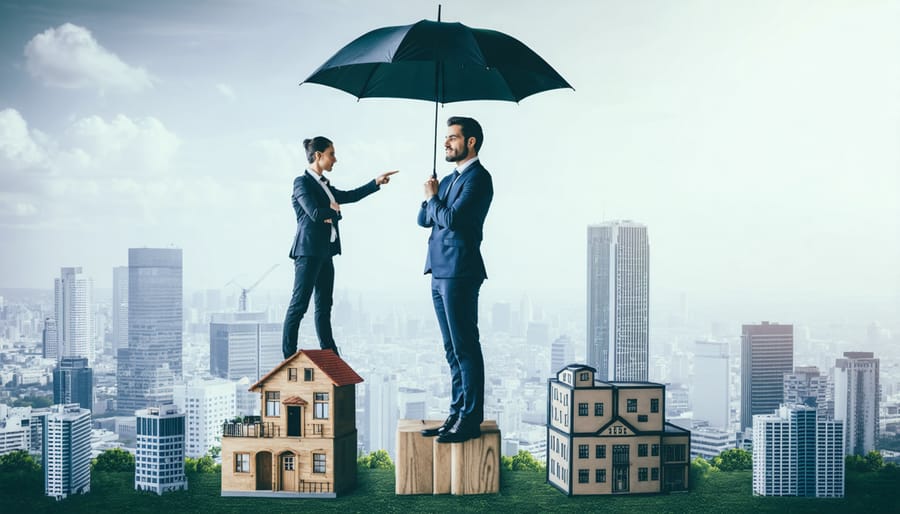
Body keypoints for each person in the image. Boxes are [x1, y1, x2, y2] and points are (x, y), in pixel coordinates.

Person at [282, 136, 398, 359]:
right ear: (318, 156)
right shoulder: (302, 182)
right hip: (307, 253)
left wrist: (375, 182)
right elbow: (314, 213)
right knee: (299, 306)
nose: (335, 159)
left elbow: (348, 196)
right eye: (332, 154)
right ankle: (288, 356)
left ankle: (330, 353)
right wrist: (334, 211)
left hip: (325, 252)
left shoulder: (324, 185)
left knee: (324, 306)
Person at [417, 116, 493, 443]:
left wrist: (435, 199)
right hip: (438, 270)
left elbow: (452, 220)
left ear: (471, 142)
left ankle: (470, 419)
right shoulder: (448, 180)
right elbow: (424, 219)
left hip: (460, 271)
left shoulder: (478, 178)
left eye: (452, 138)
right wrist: (431, 194)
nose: (446, 143)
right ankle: (457, 412)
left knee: (465, 347)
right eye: (445, 138)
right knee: (451, 349)